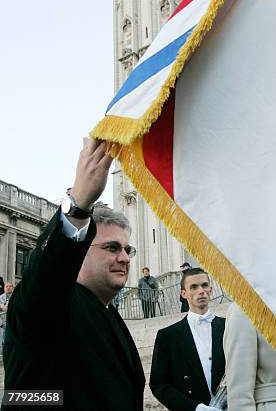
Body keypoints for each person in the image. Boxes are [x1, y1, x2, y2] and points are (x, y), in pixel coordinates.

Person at [3, 138, 145, 410]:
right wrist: (79, 204)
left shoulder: (107, 312)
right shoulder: (49, 303)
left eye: (128, 249)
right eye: (112, 247)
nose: (125, 258)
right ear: (78, 251)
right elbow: (46, 277)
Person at [150, 268, 225, 411]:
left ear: (211, 289)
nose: (201, 291)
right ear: (183, 294)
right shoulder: (168, 336)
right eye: (194, 287)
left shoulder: (229, 327)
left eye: (204, 285)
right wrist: (194, 408)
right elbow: (159, 384)